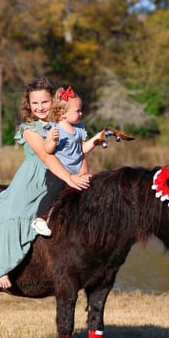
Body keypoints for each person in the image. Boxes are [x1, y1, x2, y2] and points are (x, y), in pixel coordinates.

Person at [0, 76, 91, 290]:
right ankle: (0, 267)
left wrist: (83, 174)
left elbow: (79, 152)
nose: (40, 107)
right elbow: (46, 157)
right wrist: (69, 178)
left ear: (55, 102)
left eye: (45, 102)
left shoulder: (65, 125)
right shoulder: (30, 128)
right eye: (35, 103)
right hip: (34, 179)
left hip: (63, 177)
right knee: (13, 212)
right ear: (29, 104)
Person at [31, 85, 103, 236]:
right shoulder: (55, 129)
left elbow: (83, 149)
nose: (81, 113)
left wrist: (97, 139)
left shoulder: (79, 129)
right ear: (63, 113)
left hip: (76, 172)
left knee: (85, 191)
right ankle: (40, 219)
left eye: (81, 110)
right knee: (55, 190)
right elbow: (48, 150)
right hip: (58, 172)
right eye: (77, 111)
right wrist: (52, 140)